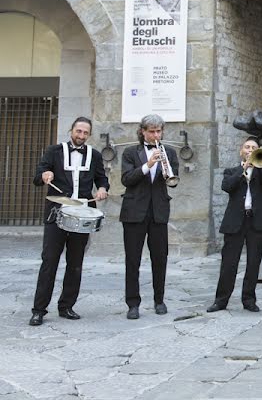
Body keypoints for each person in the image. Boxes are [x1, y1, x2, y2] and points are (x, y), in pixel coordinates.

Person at [29, 117, 109, 326]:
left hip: (82, 215)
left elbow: (102, 179)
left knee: (75, 263)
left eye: (85, 133)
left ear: (89, 135)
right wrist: (45, 175)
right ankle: (39, 310)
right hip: (56, 213)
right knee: (49, 261)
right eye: (78, 131)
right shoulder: (54, 151)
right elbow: (38, 176)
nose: (81, 136)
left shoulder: (95, 155)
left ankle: (66, 306)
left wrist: (102, 189)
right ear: (71, 129)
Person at [120, 114, 179, 320]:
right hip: (134, 212)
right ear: (143, 131)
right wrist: (148, 165)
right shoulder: (130, 152)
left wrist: (164, 168)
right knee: (132, 260)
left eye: (158, 131)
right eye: (152, 131)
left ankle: (159, 300)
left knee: (160, 259)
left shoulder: (169, 153)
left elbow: (173, 180)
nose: (156, 135)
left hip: (158, 212)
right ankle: (133, 303)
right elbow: (127, 179)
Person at [208, 136, 262, 313]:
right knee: (229, 263)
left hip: (256, 222)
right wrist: (244, 168)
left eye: (254, 147)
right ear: (241, 151)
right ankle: (221, 300)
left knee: (254, 262)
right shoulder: (231, 171)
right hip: (235, 222)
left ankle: (249, 299)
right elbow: (227, 187)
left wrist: (258, 166)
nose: (250, 150)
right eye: (247, 147)